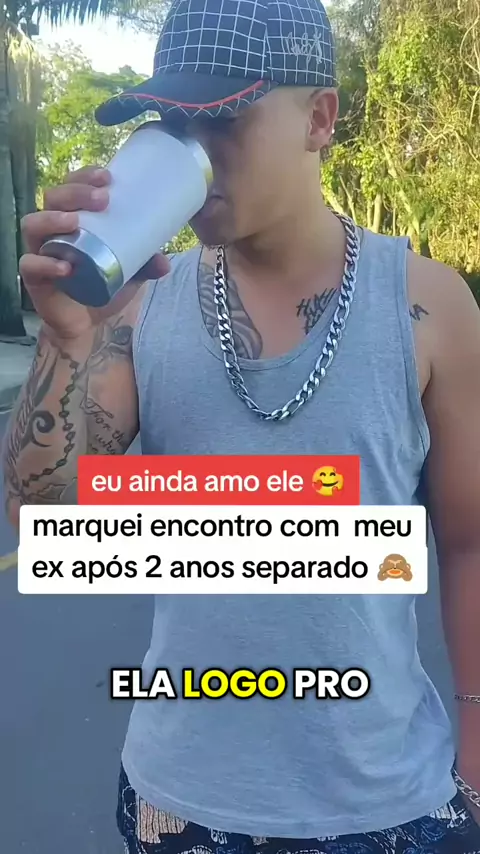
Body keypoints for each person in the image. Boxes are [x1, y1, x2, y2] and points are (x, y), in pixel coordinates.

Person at [3, 0, 480, 851]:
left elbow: (471, 542)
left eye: (222, 120)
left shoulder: (427, 306)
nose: (194, 151)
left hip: (387, 797)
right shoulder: (137, 306)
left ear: (320, 118)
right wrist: (66, 342)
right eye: (171, 123)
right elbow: (46, 526)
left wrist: (477, 735)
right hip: (181, 801)